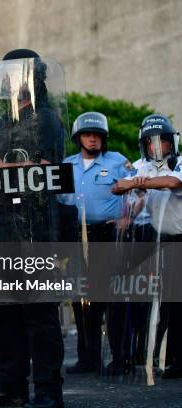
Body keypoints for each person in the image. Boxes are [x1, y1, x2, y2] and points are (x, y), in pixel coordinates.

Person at [0, 49, 70, 408]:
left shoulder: (47, 119)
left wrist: (3, 168)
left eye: (13, 74)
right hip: (0, 224)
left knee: (39, 312)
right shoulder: (1, 122)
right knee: (4, 311)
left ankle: (49, 390)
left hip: (36, 224)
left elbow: (49, 170)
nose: (6, 81)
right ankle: (12, 386)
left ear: (32, 76)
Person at [62, 111, 133, 375]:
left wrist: (128, 216)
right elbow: (59, 202)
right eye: (87, 135)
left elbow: (138, 192)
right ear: (78, 137)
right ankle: (88, 358)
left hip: (108, 237)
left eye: (97, 135)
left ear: (103, 138)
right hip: (78, 238)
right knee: (81, 301)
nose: (92, 139)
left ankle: (120, 359)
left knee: (113, 301)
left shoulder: (118, 162)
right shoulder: (66, 165)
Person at [112, 115, 182, 379]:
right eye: (151, 142)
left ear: (171, 143)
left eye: (163, 141)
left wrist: (138, 183)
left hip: (179, 238)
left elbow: (173, 183)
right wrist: (129, 212)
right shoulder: (141, 167)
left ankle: (175, 358)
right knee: (159, 302)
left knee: (177, 303)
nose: (157, 146)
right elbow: (122, 188)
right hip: (157, 239)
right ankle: (154, 355)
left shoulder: (180, 163)